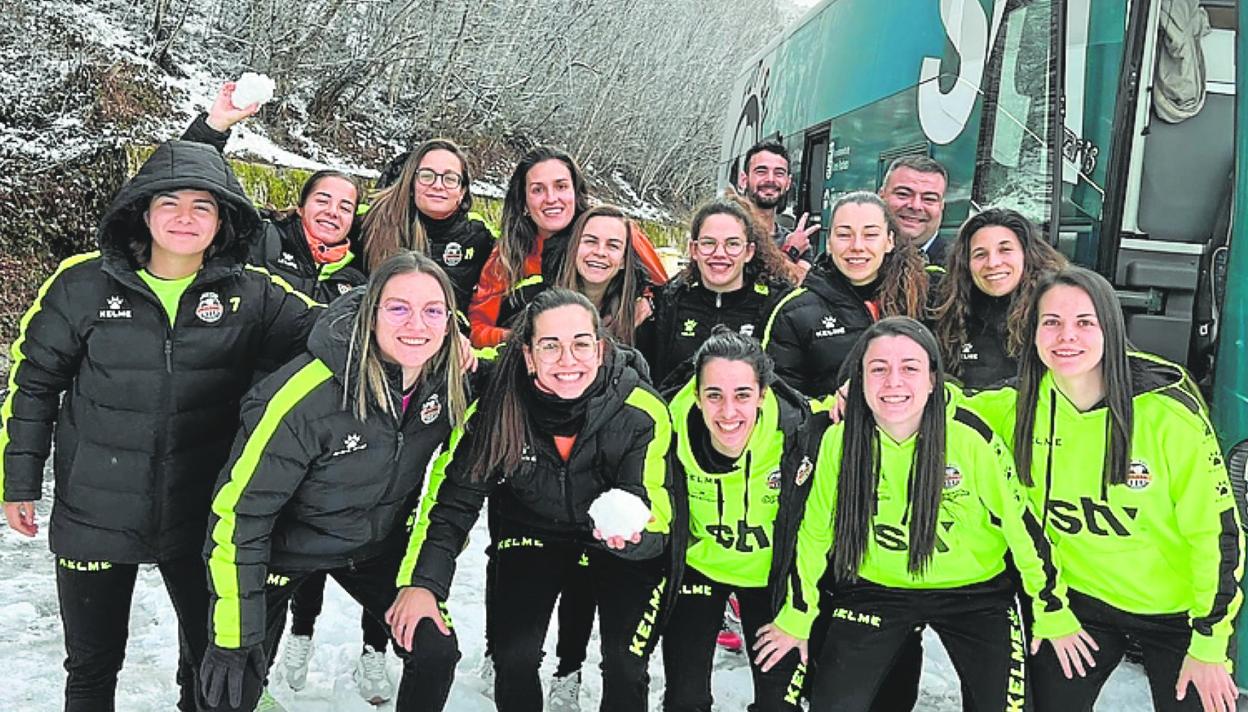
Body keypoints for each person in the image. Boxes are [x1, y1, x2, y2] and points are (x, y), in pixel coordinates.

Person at [0, 139, 321, 712]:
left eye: (203, 205)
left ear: (223, 219)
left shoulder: (254, 296)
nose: (184, 217)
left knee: (211, 667)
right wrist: (19, 482)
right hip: (94, 510)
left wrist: (413, 316)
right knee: (92, 668)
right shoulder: (81, 284)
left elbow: (331, 330)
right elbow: (34, 385)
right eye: (168, 202)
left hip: (201, 514)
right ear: (141, 211)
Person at [760, 316, 1092, 711]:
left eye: (910, 368)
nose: (893, 382)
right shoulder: (839, 441)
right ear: (858, 379)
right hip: (876, 589)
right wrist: (798, 615)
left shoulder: (970, 439)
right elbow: (815, 534)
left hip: (976, 594)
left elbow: (1023, 530)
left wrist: (1051, 608)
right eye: (878, 369)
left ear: (933, 379)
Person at [198, 252, 470, 712]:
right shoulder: (307, 394)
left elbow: (536, 362)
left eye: (432, 311)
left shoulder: (449, 383)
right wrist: (232, 636)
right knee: (228, 688)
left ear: (449, 322)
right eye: (399, 308)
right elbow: (242, 511)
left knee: (435, 651)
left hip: (372, 548)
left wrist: (422, 582)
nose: (416, 325)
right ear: (371, 313)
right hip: (284, 549)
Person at [966, 267, 1244, 712]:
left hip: (1180, 614)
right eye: (1051, 322)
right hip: (1081, 606)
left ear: (1110, 328)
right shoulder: (1016, 408)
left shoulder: (1166, 416)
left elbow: (1218, 535)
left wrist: (1210, 642)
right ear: (1033, 333)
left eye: (1084, 322)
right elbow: (925, 402)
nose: (1066, 336)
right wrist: (852, 392)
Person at [389, 288, 674, 712]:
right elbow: (451, 504)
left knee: (625, 665)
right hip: (533, 531)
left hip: (613, 543)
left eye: (580, 344)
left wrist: (634, 532)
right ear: (528, 355)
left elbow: (657, 510)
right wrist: (422, 584)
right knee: (514, 657)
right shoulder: (497, 407)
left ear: (599, 349)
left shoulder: (640, 409)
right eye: (550, 346)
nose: (567, 360)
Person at [661, 327, 825, 712]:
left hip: (771, 578)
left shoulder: (800, 432)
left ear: (763, 395)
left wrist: (799, 618)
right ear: (697, 397)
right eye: (714, 395)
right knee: (684, 700)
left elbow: (817, 533)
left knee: (779, 706)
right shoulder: (667, 425)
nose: (729, 412)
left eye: (743, 395)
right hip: (699, 571)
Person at [181, 82, 367, 303]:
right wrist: (215, 126)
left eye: (345, 207)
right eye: (322, 200)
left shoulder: (360, 277)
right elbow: (190, 183)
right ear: (300, 207)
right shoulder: (258, 236)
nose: (332, 212)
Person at [467, 146, 668, 348]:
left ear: (576, 192)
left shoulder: (612, 230)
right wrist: (527, 339)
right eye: (538, 190)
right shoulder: (509, 254)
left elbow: (668, 291)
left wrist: (646, 299)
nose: (551, 198)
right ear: (524, 201)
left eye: (561, 186)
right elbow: (478, 330)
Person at [765, 191, 928, 400]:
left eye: (870, 235)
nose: (857, 246)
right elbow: (778, 403)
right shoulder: (794, 313)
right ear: (829, 243)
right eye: (844, 235)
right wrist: (835, 406)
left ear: (889, 241)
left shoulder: (922, 299)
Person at [639, 194, 799, 394]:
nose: (720, 253)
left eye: (732, 244)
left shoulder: (777, 306)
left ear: (749, 252)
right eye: (708, 243)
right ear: (694, 250)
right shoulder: (668, 303)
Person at [931, 207, 1067, 386]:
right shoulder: (947, 314)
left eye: (1005, 250)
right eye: (980, 254)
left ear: (1027, 255)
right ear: (966, 263)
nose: (993, 263)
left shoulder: (1057, 312)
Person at [361, 140, 497, 311]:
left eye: (450, 179)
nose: (438, 186)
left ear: (462, 192)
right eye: (427, 176)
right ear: (411, 183)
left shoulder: (479, 236)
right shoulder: (370, 222)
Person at [553, 204, 654, 345]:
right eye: (590, 241)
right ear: (573, 248)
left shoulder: (641, 317)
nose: (600, 252)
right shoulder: (540, 306)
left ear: (624, 260)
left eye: (613, 245)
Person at [736, 140, 819, 276]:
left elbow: (800, 286)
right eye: (761, 171)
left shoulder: (799, 243)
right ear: (744, 180)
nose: (770, 179)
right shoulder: (727, 234)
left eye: (779, 173)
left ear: (788, 183)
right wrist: (790, 252)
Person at [878, 155, 949, 266]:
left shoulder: (962, 268)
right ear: (881, 197)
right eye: (903, 194)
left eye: (929, 198)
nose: (916, 206)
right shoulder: (852, 258)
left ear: (941, 206)